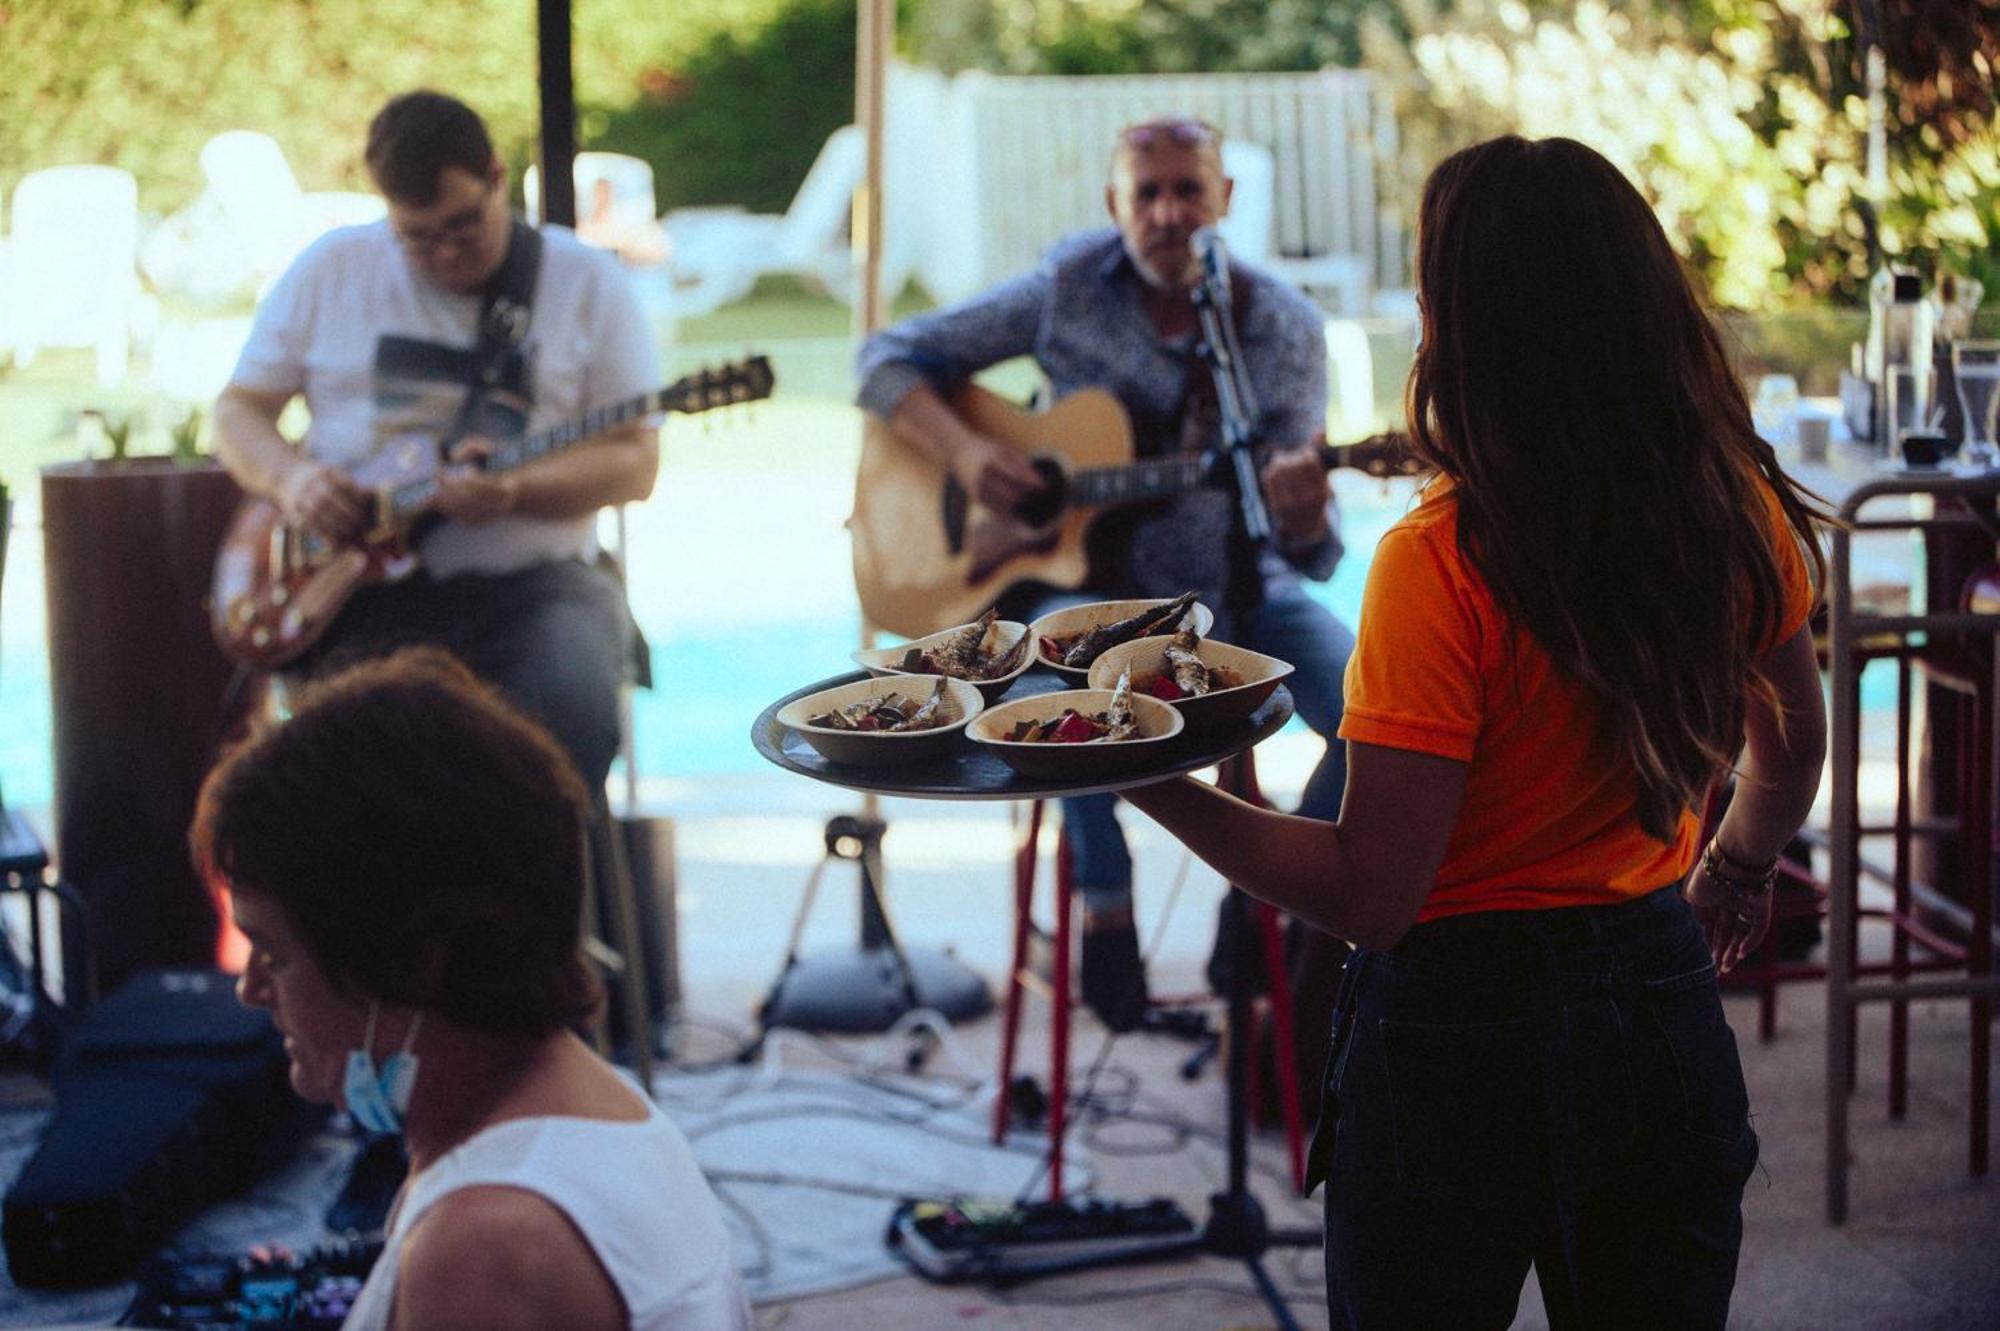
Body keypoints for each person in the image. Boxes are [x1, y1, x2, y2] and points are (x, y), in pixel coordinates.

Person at [1121, 135, 1831, 1328]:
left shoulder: (1438, 557)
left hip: (1454, 1041)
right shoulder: (1731, 508)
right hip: (1654, 997)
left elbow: (1370, 896)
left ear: (1464, 321)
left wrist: (1147, 774)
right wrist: (1737, 868)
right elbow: (1793, 741)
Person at [855, 115, 1354, 1030]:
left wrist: (1307, 513)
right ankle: (1107, 900)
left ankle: (1267, 900)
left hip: (1242, 596)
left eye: (1188, 190)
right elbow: (882, 358)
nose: (1168, 212)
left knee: (1375, 710)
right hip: (1089, 602)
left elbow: (1312, 555)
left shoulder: (1279, 326)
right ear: (1114, 204)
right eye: (1148, 193)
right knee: (1073, 668)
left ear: (1225, 198)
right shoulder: (1068, 286)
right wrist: (970, 458)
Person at [192, 648, 750, 1330]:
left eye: (273, 951)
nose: (249, 989)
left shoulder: (487, 1244)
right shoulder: (599, 1103)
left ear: (408, 956)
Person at [214, 89, 660, 795]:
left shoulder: (585, 281)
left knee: (561, 732)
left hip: (539, 585)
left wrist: (516, 491)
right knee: (348, 766)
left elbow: (635, 461)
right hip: (362, 595)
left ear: (496, 176)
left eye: (464, 224)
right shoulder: (333, 269)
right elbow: (238, 413)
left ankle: (519, 901)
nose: (447, 252)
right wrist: (295, 483)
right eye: (419, 236)